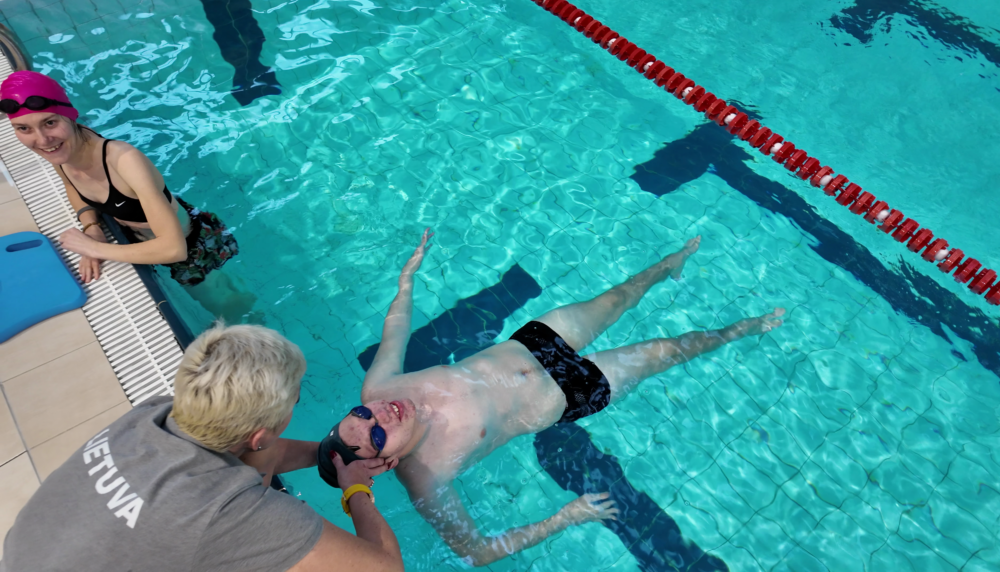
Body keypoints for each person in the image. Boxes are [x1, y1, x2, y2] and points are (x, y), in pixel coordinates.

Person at [318, 229, 786, 566]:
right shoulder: (427, 479)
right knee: (666, 350)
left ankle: (672, 264)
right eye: (376, 434)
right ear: (385, 464)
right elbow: (476, 552)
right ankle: (738, 331)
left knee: (620, 296)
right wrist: (565, 517)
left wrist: (406, 281)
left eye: (362, 413)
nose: (380, 414)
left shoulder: (380, 389)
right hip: (567, 393)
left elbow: (395, 331)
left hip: (535, 342)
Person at [0, 324, 404, 572]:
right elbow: (384, 569)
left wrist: (334, 455)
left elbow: (263, 450)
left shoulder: (152, 414)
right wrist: (356, 491)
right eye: (295, 400)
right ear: (259, 434)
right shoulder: (229, 511)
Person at [0, 70, 257, 323]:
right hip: (145, 236)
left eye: (50, 123)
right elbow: (71, 184)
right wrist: (92, 227)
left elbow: (174, 249)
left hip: (190, 247)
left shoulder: (124, 160)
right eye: (24, 128)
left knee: (228, 309)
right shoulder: (61, 150)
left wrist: (93, 248)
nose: (42, 139)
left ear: (70, 116)